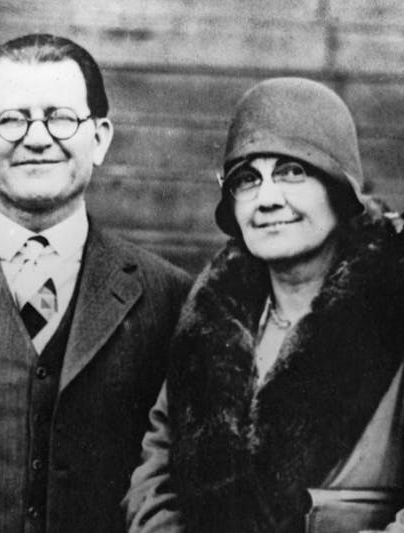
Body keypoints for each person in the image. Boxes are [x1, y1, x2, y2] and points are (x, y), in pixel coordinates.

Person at [0, 33, 191, 533]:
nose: (38, 137)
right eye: (12, 119)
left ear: (101, 138)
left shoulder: (171, 298)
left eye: (61, 117)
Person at [125, 77, 404, 533]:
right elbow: (154, 482)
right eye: (247, 180)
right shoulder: (209, 325)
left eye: (293, 172)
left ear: (339, 188)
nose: (268, 199)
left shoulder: (393, 307)